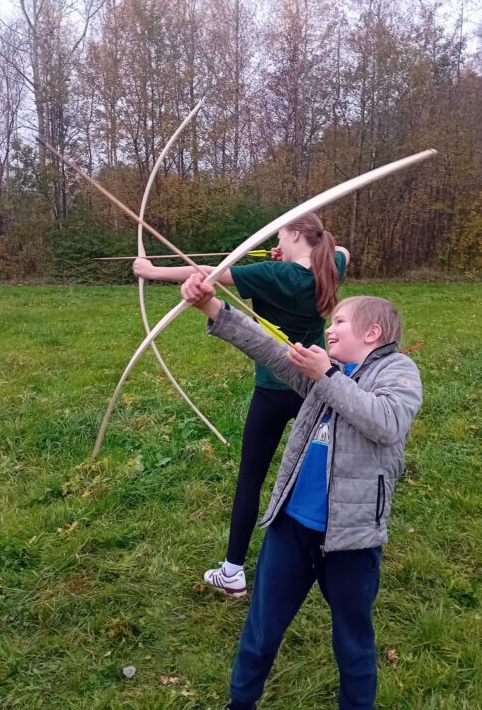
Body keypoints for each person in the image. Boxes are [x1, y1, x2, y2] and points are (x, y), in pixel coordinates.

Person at [181, 274, 423, 710]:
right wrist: (211, 308)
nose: (329, 329)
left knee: (352, 638)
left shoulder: (398, 370)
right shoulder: (322, 371)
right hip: (292, 527)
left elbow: (386, 423)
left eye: (340, 322)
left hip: (351, 538)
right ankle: (241, 701)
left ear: (372, 333)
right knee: (262, 627)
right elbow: (272, 350)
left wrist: (327, 374)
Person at [133, 214, 349, 596]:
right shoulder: (333, 264)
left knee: (251, 477)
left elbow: (207, 273)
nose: (277, 239)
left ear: (295, 234)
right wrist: (293, 253)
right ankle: (330, 558)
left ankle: (233, 571)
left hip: (272, 387)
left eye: (281, 232)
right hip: (314, 387)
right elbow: (342, 250)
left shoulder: (272, 273)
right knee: (321, 473)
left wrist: (150, 271)